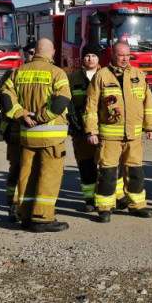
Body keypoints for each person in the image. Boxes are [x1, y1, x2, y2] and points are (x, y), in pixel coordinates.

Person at [0, 38, 71, 232]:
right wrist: (41, 117)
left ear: (35, 51)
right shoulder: (57, 72)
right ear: (52, 52)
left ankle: (26, 215)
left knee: (27, 175)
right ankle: (42, 218)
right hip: (51, 137)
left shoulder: (19, 72)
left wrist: (22, 115)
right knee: (49, 176)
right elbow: (62, 100)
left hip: (27, 135)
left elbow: (5, 96)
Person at [85, 42, 152, 222]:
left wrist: (150, 127)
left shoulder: (138, 75)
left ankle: (137, 205)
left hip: (133, 135)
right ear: (112, 56)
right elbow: (91, 106)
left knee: (135, 172)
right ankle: (104, 208)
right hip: (109, 136)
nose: (125, 59)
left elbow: (148, 104)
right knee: (108, 173)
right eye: (121, 55)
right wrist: (91, 131)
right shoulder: (101, 76)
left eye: (127, 55)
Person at [0, 40, 35, 221]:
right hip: (15, 131)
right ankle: (13, 205)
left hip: (38, 133)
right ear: (23, 54)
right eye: (30, 52)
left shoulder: (50, 74)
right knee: (16, 169)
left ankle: (30, 205)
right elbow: (3, 102)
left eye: (37, 52)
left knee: (34, 170)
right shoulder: (11, 74)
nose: (33, 55)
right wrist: (21, 114)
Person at [67, 43, 101, 211]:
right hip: (80, 130)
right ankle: (89, 200)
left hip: (102, 129)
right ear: (82, 58)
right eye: (87, 56)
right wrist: (73, 124)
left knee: (106, 165)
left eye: (93, 55)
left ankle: (107, 199)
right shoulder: (72, 78)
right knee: (86, 165)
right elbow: (68, 103)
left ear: (98, 58)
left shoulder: (106, 76)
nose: (90, 58)